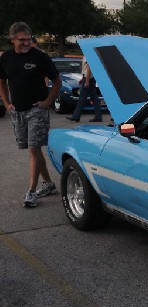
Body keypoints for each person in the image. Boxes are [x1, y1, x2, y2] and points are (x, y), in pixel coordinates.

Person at [0, 22, 62, 208]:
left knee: (33, 150)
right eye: (22, 40)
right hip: (17, 111)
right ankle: (49, 185)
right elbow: (2, 81)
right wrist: (6, 103)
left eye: (29, 39)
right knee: (34, 148)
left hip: (37, 110)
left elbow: (57, 81)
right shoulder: (6, 58)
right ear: (12, 40)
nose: (27, 43)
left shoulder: (40, 57)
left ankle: (31, 192)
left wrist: (47, 103)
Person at [67, 56, 102, 123]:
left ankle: (76, 116)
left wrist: (86, 81)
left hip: (88, 78)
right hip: (90, 78)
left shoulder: (87, 54)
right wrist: (83, 78)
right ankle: (98, 116)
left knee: (82, 98)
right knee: (94, 98)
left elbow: (89, 67)